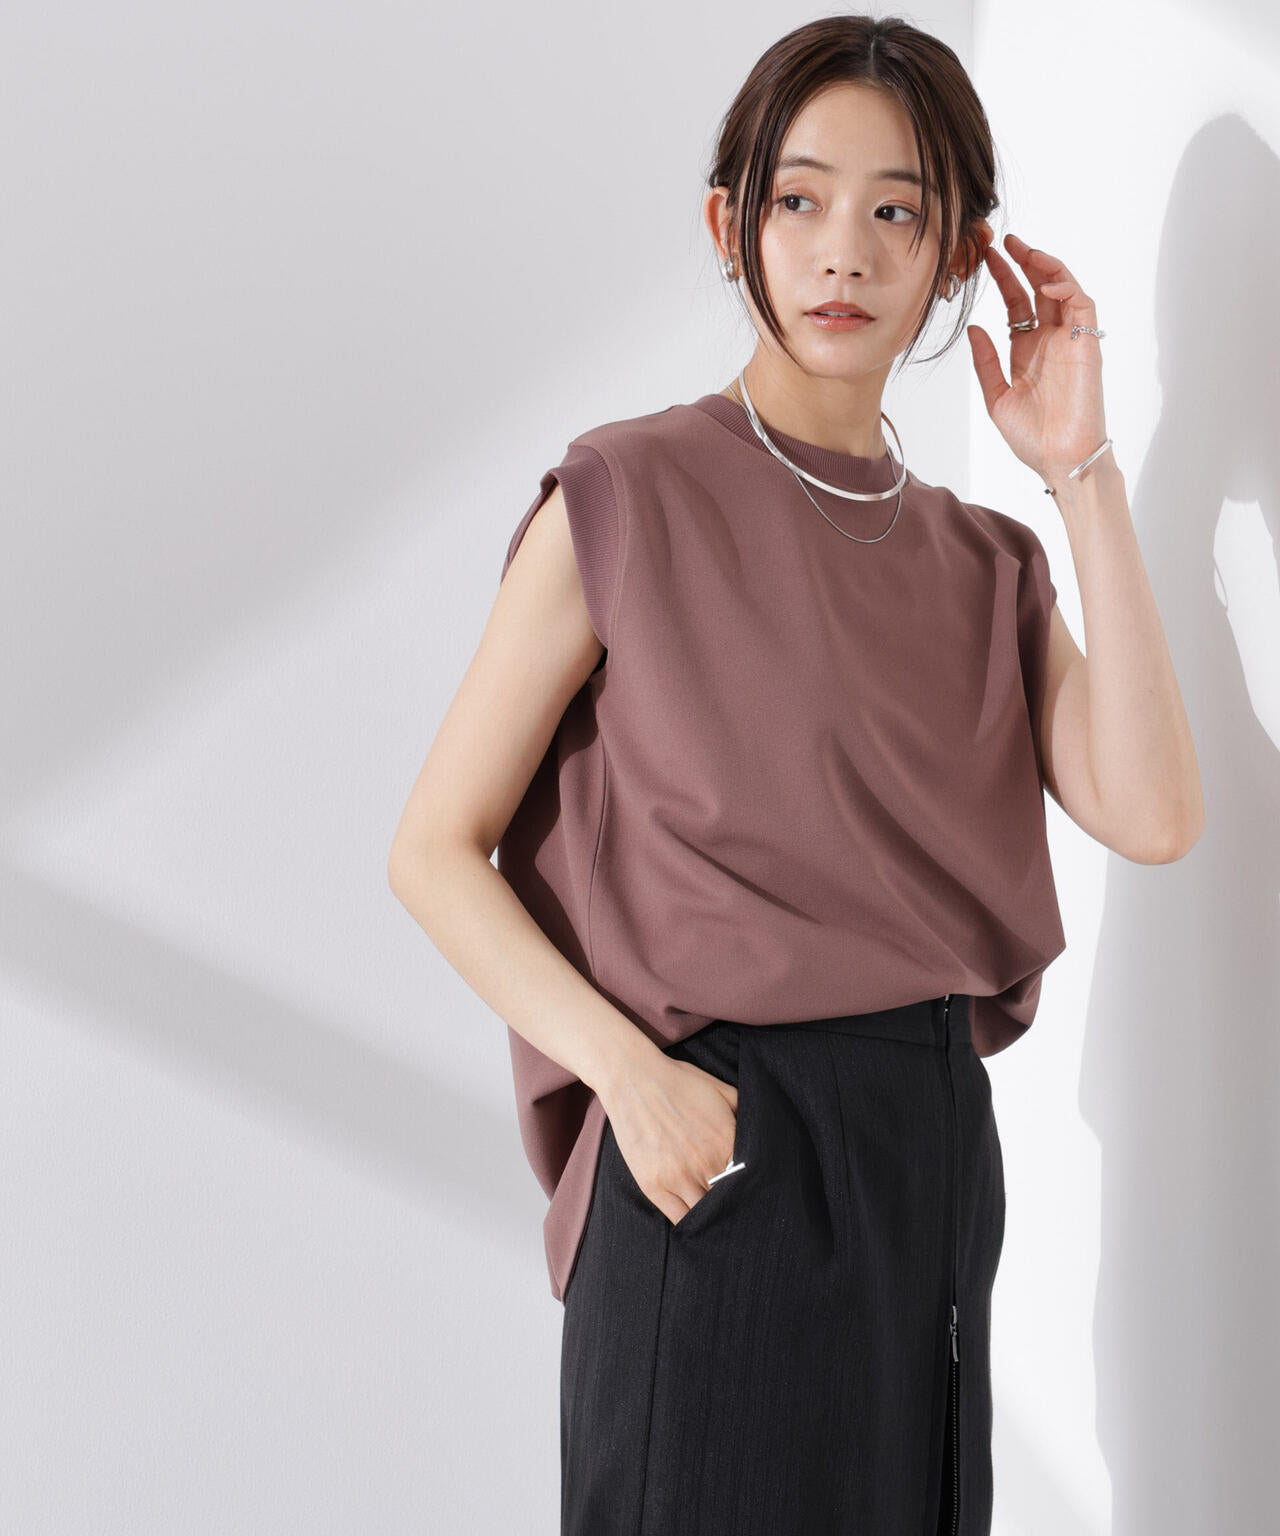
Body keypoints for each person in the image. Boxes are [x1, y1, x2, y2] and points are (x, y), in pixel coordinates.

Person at [388, 14, 1203, 1535]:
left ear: (956, 256)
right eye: (799, 199)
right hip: (714, 1139)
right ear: (731, 224)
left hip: (926, 1153)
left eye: (898, 211)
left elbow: (1154, 813)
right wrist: (630, 1078)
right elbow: (435, 845)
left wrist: (1080, 473)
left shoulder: (985, 562)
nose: (844, 252)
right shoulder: (628, 493)